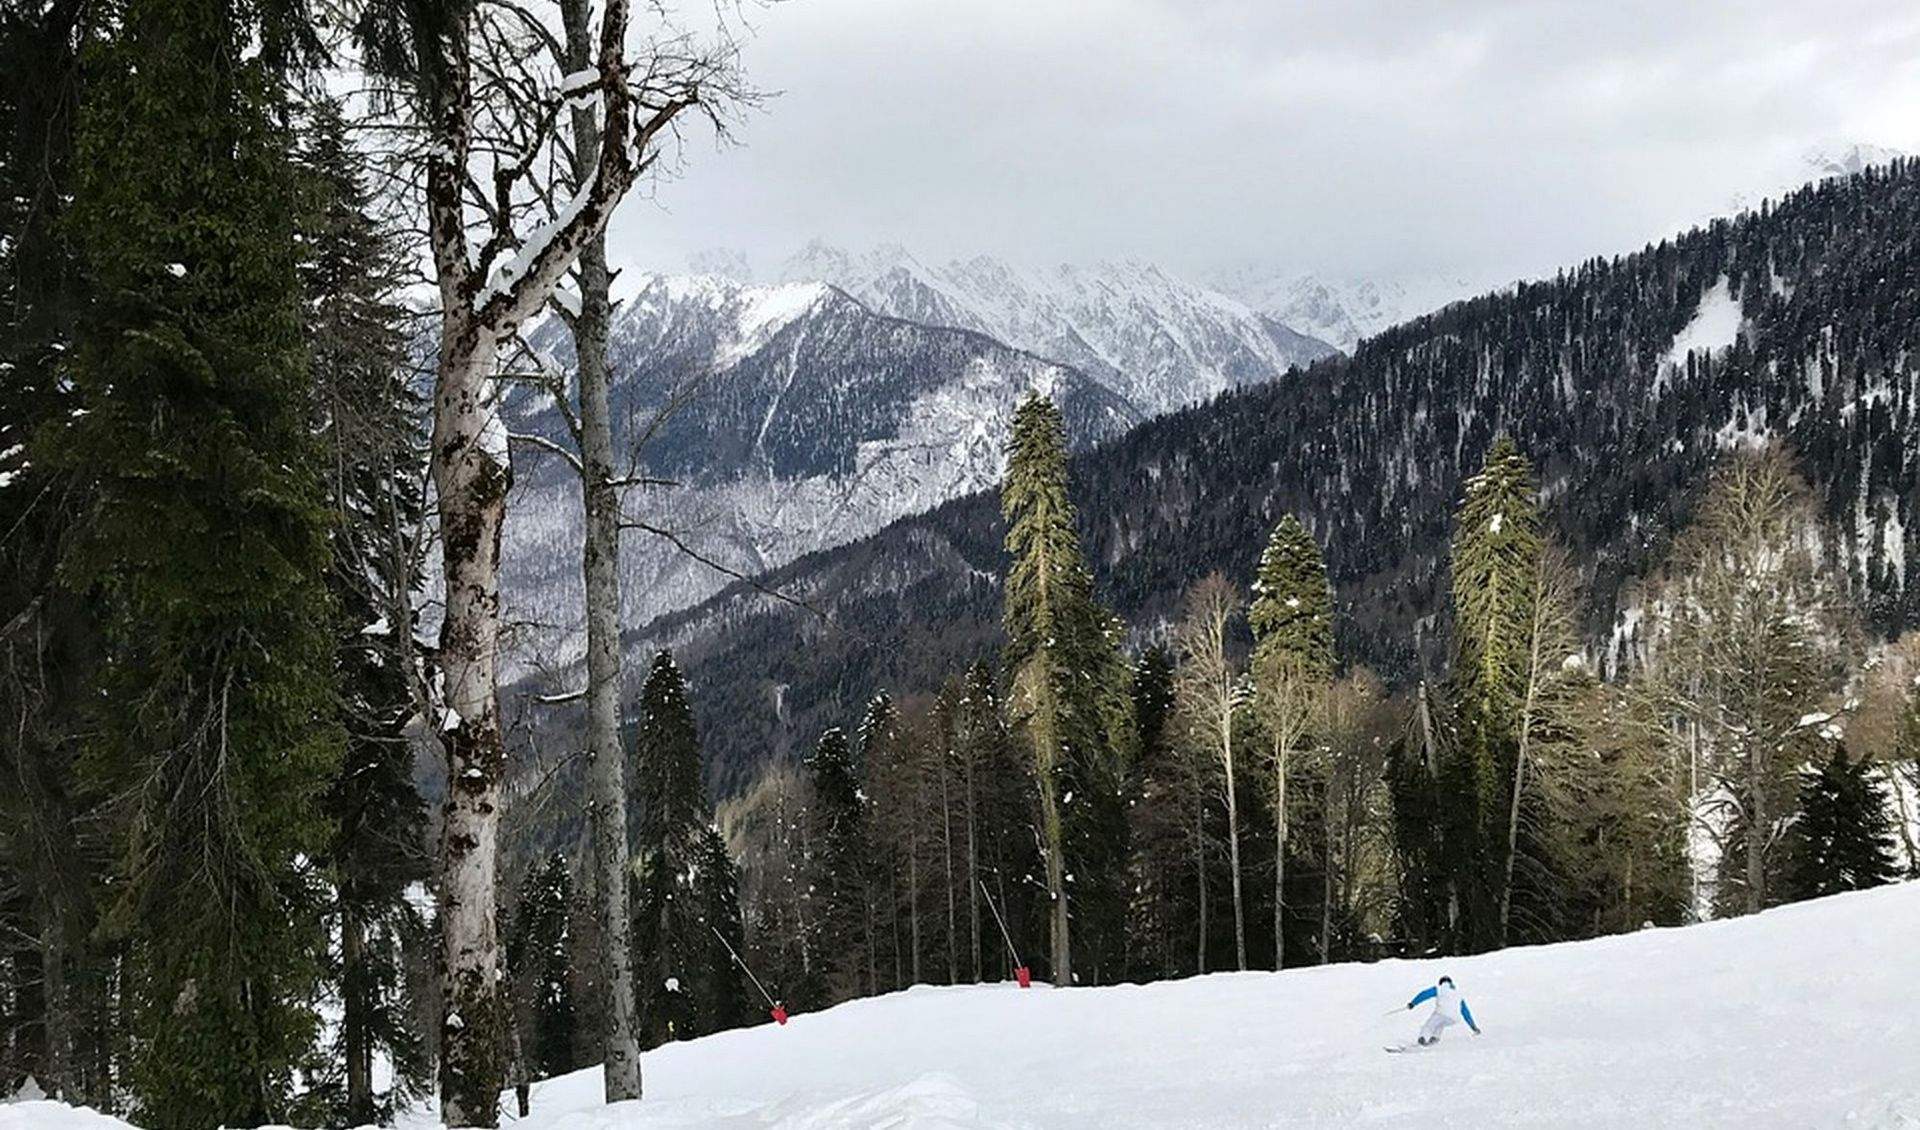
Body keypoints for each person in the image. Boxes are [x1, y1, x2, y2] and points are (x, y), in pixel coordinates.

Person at [1405, 974, 1481, 1045]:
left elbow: (1424, 994)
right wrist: (1473, 1027)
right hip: (1454, 1018)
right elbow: (1465, 1012)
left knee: (1429, 1026)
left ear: (1441, 982)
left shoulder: (1439, 988)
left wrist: (1413, 1003)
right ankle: (1435, 1039)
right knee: (1440, 1024)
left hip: (1442, 1013)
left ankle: (1422, 1040)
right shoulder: (1458, 994)